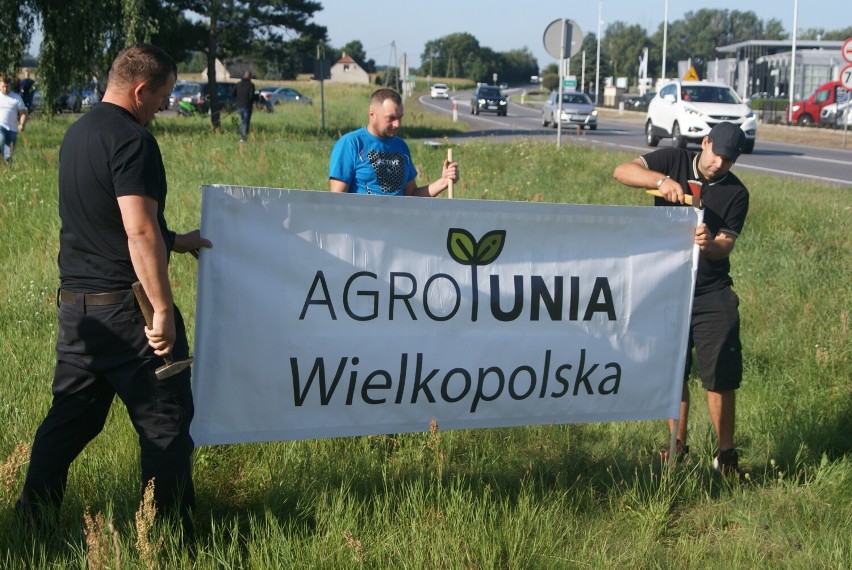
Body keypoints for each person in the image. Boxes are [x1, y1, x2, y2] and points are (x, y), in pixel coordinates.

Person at [17, 43, 212, 530]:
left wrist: (177, 240)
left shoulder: (78, 133)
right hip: (131, 312)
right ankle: (167, 534)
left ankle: (31, 519)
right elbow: (136, 229)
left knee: (71, 420)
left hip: (79, 311)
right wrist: (162, 310)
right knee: (166, 421)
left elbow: (101, 219)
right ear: (141, 89)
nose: (165, 106)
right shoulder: (132, 140)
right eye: (163, 95)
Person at [612, 122, 749, 476]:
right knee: (673, 371)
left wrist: (709, 244)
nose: (720, 164)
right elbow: (622, 171)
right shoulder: (673, 159)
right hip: (667, 287)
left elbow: (725, 247)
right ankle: (676, 446)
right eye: (717, 154)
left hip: (710, 292)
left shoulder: (737, 194)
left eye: (729, 160)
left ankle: (726, 456)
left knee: (720, 374)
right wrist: (660, 182)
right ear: (705, 143)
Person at [329, 88, 459, 196]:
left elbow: (411, 196)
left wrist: (444, 181)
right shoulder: (351, 144)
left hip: (398, 225)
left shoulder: (401, 147)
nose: (397, 124)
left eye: (399, 118)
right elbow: (337, 200)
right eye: (391, 118)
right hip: (362, 225)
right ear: (372, 114)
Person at [0, 76, 27, 165]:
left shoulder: (16, 98)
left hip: (12, 129)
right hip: (1, 126)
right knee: (1, 139)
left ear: (10, 86)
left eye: (7, 86)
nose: (5, 88)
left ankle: (8, 168)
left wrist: (22, 124)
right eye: (3, 86)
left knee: (8, 153)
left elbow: (22, 113)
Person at [232, 70, 256, 142]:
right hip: (247, 106)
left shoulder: (238, 84)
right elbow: (251, 96)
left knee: (242, 121)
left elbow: (233, 93)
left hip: (239, 106)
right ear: (250, 77)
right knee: (245, 122)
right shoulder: (251, 85)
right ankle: (243, 138)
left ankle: (243, 135)